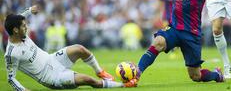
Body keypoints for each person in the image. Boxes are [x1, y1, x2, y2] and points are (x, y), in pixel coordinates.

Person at [4, 5, 137, 90]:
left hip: (52, 59)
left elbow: (20, 17)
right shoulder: (11, 54)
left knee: (79, 49)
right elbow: (11, 78)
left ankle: (100, 71)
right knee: (88, 80)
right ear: (15, 30)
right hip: (51, 77)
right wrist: (22, 90)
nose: (26, 27)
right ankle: (124, 85)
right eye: (23, 26)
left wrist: (29, 11)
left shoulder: (22, 34)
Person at [136, 0, 224, 83]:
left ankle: (216, 75)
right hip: (175, 28)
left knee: (195, 76)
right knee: (158, 42)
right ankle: (137, 73)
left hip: (191, 34)